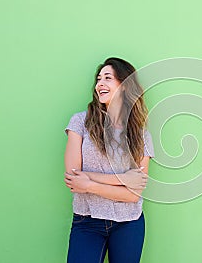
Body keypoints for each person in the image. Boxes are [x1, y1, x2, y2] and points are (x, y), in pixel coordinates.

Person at [63, 57, 155, 263]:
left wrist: (88, 183)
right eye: (98, 79)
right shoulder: (79, 122)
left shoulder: (140, 133)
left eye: (107, 78)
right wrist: (124, 179)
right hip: (87, 221)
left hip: (128, 223)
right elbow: (73, 179)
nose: (100, 84)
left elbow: (132, 195)